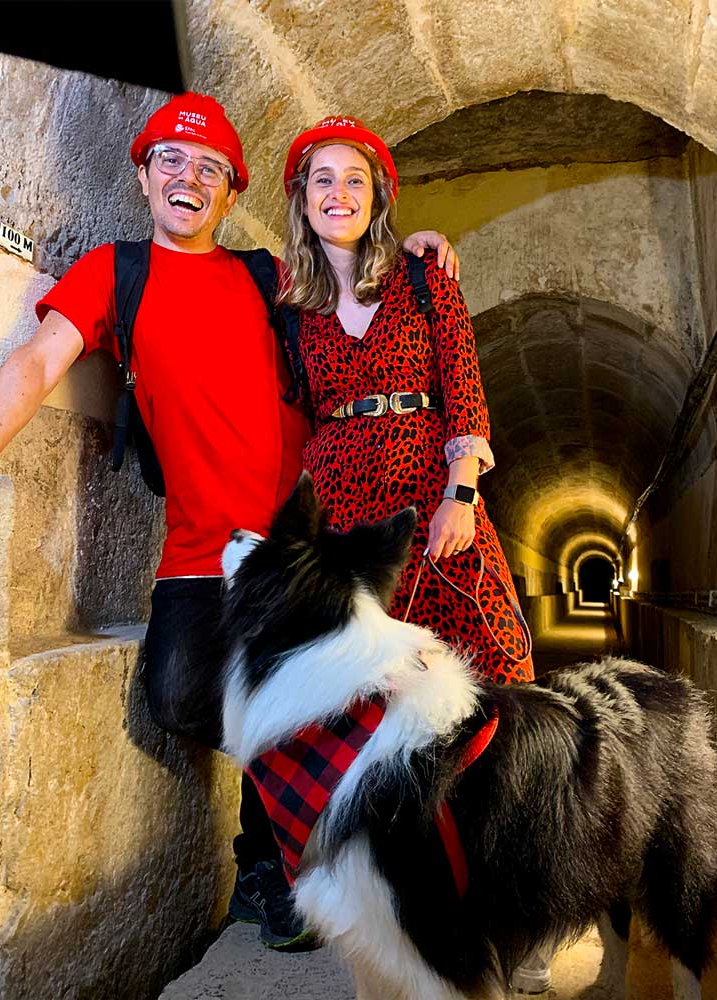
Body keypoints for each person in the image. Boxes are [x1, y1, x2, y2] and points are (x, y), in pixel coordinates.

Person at [0, 93, 460, 952]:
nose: (189, 177)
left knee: (294, 686)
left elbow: (356, 276)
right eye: (171, 158)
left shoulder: (266, 274)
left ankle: (270, 868)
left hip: (293, 552)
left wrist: (416, 250)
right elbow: (35, 361)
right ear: (142, 175)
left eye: (210, 168)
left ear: (231, 194)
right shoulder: (113, 273)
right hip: (199, 556)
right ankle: (309, 824)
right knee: (177, 695)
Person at [280, 118, 550, 994]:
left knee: (496, 695)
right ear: (302, 198)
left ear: (380, 196)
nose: (339, 196)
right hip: (352, 527)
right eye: (323, 180)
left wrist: (462, 495)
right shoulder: (291, 303)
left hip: (435, 510)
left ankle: (523, 908)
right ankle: (408, 912)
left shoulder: (425, 274)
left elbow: (464, 388)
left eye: (355, 181)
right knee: (378, 725)